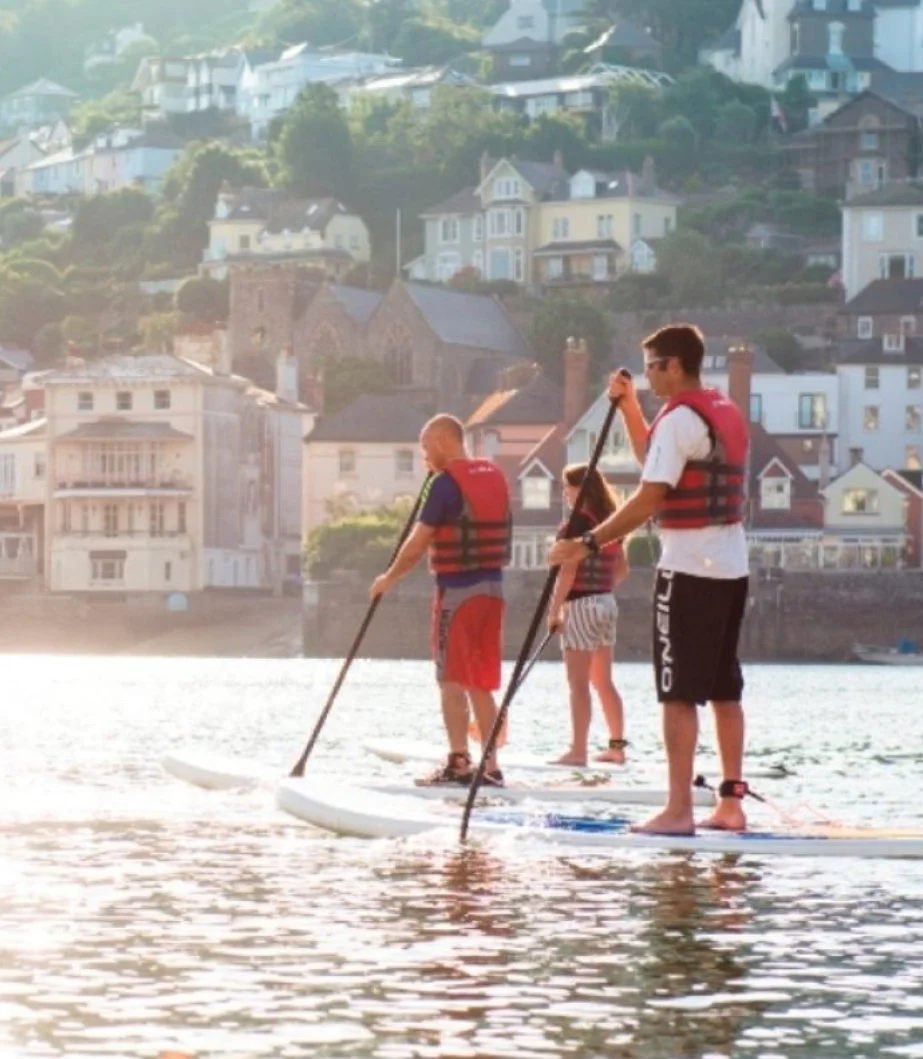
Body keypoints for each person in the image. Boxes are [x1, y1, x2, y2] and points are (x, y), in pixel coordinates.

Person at [548, 324, 751, 835]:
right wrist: (630, 408)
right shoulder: (721, 409)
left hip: (688, 569)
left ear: (674, 365)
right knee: (724, 688)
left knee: (676, 694)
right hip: (732, 567)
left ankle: (678, 811)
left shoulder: (681, 418)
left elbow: (648, 497)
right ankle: (731, 805)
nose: (649, 377)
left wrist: (587, 542)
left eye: (653, 368)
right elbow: (656, 459)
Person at [370, 414, 510, 787]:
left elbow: (417, 544)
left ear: (444, 441)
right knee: (480, 681)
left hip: (458, 593)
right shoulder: (494, 476)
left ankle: (458, 762)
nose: (424, 457)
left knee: (451, 678)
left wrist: (388, 579)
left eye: (426, 448)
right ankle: (491, 766)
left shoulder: (444, 485)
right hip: (493, 591)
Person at [547, 463, 629, 767]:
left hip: (581, 606)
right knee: (604, 681)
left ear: (580, 489)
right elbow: (622, 569)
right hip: (606, 603)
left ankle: (578, 751)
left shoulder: (577, 525)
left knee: (578, 683)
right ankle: (617, 748)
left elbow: (568, 570)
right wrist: (601, 591)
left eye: (567, 487)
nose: (565, 494)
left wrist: (554, 611)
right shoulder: (610, 524)